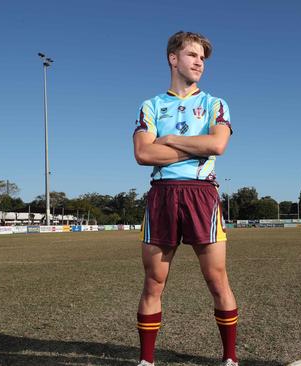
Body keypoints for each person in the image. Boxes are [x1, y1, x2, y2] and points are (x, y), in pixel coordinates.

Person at [132, 31, 238, 366]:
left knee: (216, 278)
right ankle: (146, 361)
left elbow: (217, 145)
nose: (199, 63)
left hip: (201, 195)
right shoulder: (151, 105)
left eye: (203, 58)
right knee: (154, 281)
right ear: (173, 59)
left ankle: (230, 358)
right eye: (192, 55)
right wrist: (194, 148)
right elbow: (142, 153)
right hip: (161, 195)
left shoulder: (215, 104)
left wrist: (172, 139)